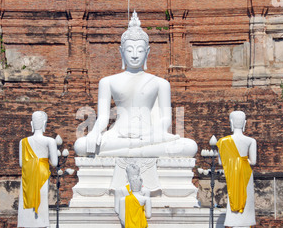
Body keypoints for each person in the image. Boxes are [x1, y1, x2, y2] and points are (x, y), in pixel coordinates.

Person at [74, 11, 197, 158]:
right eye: (129, 50)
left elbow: (166, 119)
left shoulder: (161, 83)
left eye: (139, 50)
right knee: (81, 145)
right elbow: (103, 117)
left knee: (189, 146)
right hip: (117, 136)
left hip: (150, 136)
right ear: (121, 52)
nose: (134, 55)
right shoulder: (107, 81)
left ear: (147, 52)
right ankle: (136, 152)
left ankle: (130, 152)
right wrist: (94, 133)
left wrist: (152, 134)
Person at [18, 111, 58, 228]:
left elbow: (22, 163)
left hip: (28, 177)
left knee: (27, 205)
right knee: (40, 206)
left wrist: (32, 163)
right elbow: (54, 162)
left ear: (31, 124)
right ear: (45, 124)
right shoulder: (50, 141)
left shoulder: (23, 142)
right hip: (41, 176)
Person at [217, 111, 257, 228]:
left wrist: (234, 161)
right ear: (245, 123)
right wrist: (242, 160)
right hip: (246, 173)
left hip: (232, 174)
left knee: (233, 200)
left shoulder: (223, 142)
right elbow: (253, 161)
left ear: (231, 123)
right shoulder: (251, 140)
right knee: (247, 204)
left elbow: (220, 161)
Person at [115, 164, 152, 228]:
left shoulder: (121, 194)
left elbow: (118, 211)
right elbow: (148, 214)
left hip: (128, 223)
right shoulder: (145, 193)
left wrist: (128, 221)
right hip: (139, 223)